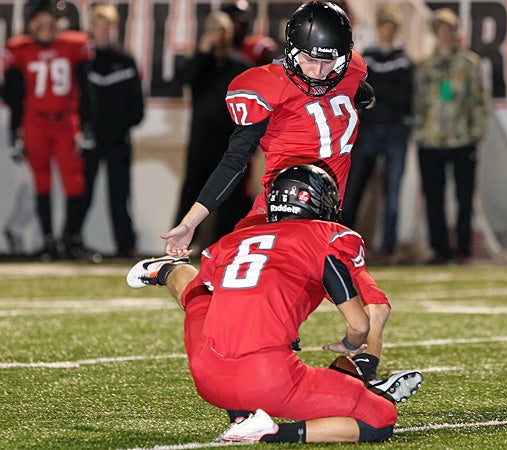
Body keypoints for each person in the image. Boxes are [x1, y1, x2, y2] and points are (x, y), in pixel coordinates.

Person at [160, 1, 387, 383]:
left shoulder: (349, 70)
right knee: (231, 301)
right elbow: (234, 161)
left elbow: (356, 89)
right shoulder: (266, 85)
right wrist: (190, 223)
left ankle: (362, 369)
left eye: (329, 62)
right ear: (291, 51)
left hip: (326, 214)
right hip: (280, 212)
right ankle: (169, 273)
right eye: (310, 60)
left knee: (375, 305)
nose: (319, 72)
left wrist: (361, 96)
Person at [127, 164, 422, 444]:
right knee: (381, 416)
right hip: (268, 377)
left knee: (198, 298)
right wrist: (350, 343)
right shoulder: (324, 236)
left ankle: (168, 270)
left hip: (207, 374)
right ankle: (269, 431)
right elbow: (359, 325)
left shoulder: (231, 242)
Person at [2, 0, 96, 261]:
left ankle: (72, 239)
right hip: (35, 121)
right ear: (30, 23)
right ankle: (48, 242)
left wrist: (87, 125)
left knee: (74, 182)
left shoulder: (74, 45)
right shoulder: (19, 49)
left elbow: (85, 90)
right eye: (40, 21)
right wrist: (14, 132)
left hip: (66, 121)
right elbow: (14, 96)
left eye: (50, 20)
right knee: (41, 182)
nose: (45, 26)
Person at [413, 8, 490, 264]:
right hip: (431, 140)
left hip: (461, 139)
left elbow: (479, 100)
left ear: (454, 32)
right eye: (440, 29)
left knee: (464, 197)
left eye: (448, 29)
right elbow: (417, 102)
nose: (444, 34)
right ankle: (440, 249)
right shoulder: (425, 66)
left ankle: (464, 248)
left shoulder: (469, 63)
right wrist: (419, 131)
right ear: (435, 33)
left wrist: (476, 132)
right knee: (434, 198)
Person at [341, 4, 414, 265]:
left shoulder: (403, 58)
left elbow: (399, 96)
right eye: (384, 24)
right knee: (353, 189)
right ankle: (342, 241)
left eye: (391, 25)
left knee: (392, 194)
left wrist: (379, 99)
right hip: (369, 131)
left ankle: (388, 248)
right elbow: (362, 94)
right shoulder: (367, 56)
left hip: (394, 131)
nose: (387, 30)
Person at [174, 11, 252, 248]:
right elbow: (183, 78)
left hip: (229, 143)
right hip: (201, 141)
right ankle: (180, 243)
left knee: (229, 197)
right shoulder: (200, 63)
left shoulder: (239, 65)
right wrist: (203, 51)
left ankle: (225, 246)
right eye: (214, 31)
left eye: (222, 31)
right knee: (192, 193)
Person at [75, 4, 144, 259]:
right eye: (99, 26)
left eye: (108, 26)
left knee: (120, 195)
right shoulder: (82, 62)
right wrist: (85, 130)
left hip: (118, 141)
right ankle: (72, 241)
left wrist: (118, 129)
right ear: (91, 28)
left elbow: (137, 108)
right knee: (81, 194)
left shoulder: (124, 61)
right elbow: (75, 101)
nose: (103, 31)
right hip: (89, 140)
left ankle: (125, 246)